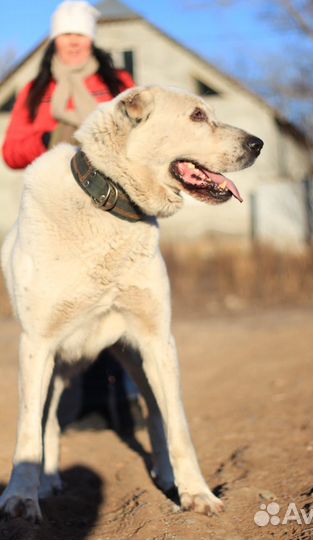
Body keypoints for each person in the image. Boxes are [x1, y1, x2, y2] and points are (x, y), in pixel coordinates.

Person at [2, 0, 144, 436]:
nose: (74, 44)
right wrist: (48, 136)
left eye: (80, 36)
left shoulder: (117, 83)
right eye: (67, 37)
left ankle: (121, 398)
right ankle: (67, 406)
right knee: (68, 301)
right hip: (59, 209)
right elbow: (11, 151)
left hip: (115, 205)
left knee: (116, 296)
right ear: (55, 40)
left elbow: (143, 135)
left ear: (91, 40)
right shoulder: (35, 90)